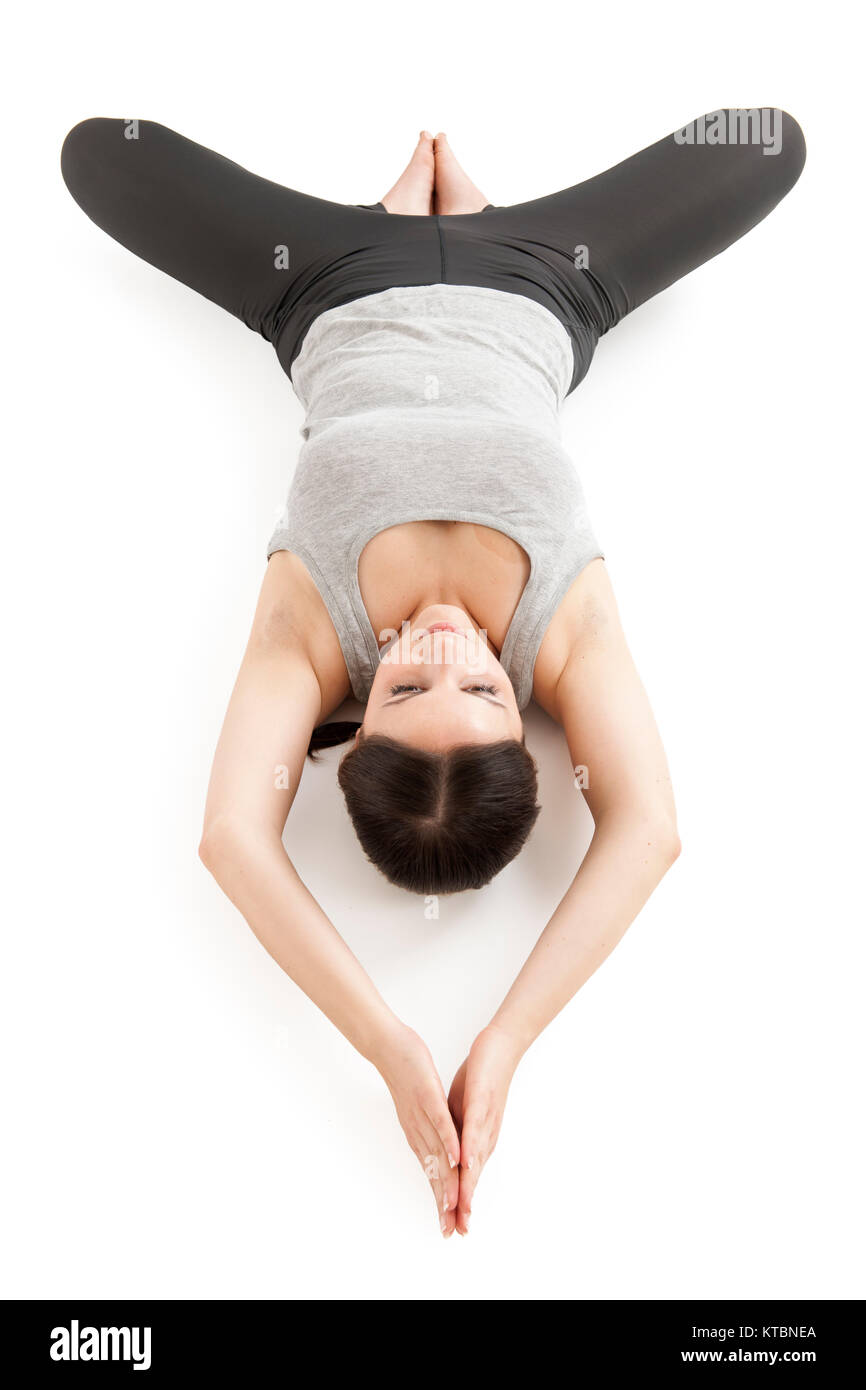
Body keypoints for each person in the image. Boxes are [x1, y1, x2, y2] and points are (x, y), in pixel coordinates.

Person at [60, 111, 806, 1235]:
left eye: (407, 688)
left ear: (352, 729)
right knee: (771, 143)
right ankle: (469, 209)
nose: (449, 651)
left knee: (90, 153)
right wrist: (499, 1043)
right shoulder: (563, 627)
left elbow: (230, 838)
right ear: (528, 720)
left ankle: (397, 207)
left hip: (325, 277)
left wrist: (390, 1046)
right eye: (483, 690)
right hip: (548, 277)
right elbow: (647, 827)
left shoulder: (310, 630)